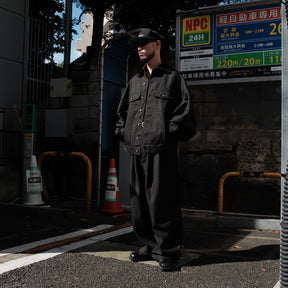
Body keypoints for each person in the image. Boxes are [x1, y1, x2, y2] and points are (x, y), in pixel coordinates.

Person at [115, 28, 196, 271]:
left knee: (163, 202)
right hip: (137, 150)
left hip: (162, 151)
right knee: (139, 204)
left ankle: (168, 250)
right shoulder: (134, 81)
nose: (139, 48)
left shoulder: (173, 78)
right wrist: (124, 133)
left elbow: (186, 112)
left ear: (157, 45)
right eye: (137, 45)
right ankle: (149, 245)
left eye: (144, 43)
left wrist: (168, 133)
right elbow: (122, 115)